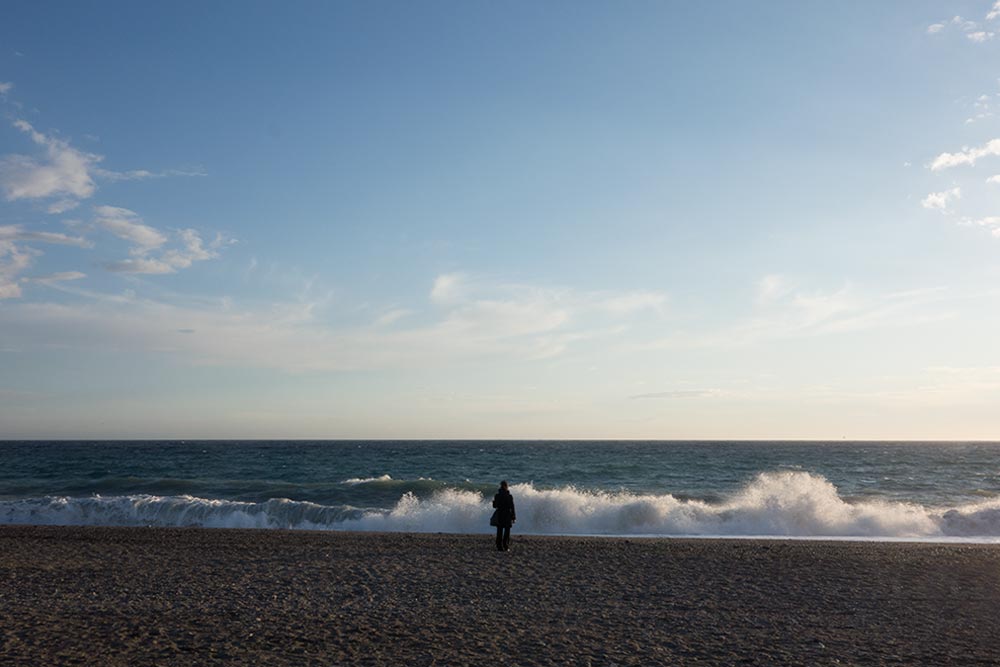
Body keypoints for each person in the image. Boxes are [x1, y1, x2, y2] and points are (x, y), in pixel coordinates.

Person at [492, 480, 516, 551]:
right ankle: (506, 546)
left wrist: (493, 502)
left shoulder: (497, 495)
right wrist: (513, 516)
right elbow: (512, 507)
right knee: (507, 531)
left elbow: (495, 506)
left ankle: (499, 546)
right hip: (507, 514)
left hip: (500, 514)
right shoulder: (509, 496)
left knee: (499, 531)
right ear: (506, 486)